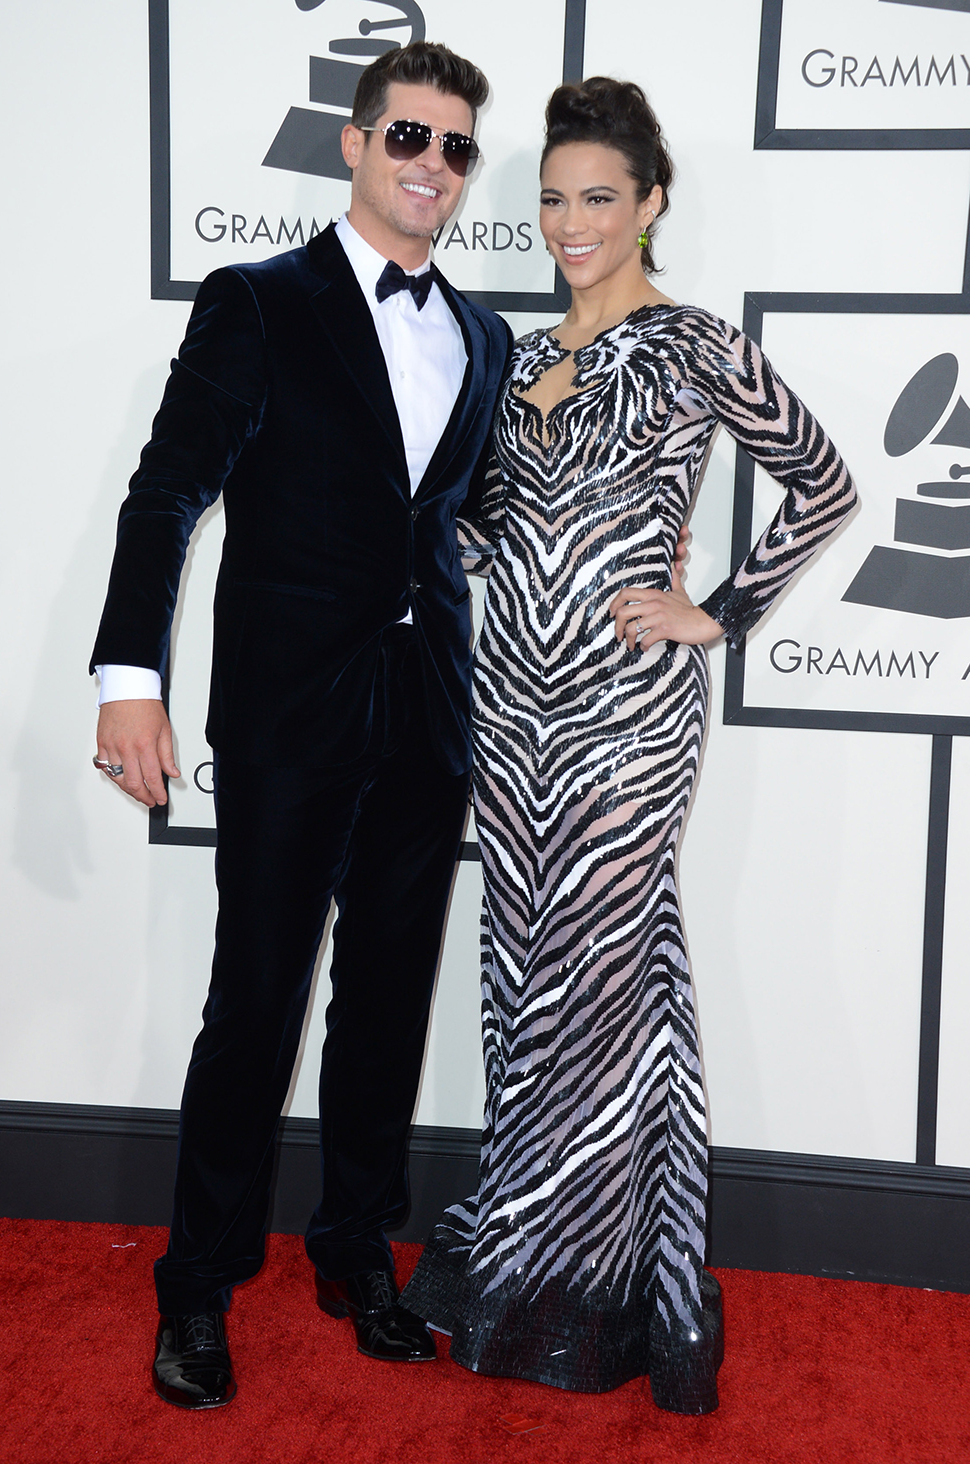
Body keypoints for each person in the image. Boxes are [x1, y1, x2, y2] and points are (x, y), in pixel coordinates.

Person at [402, 77, 857, 1415]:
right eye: (552, 198)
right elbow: (486, 532)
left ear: (652, 204)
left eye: (598, 197)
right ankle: (542, 1264)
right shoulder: (512, 353)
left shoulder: (695, 343)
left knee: (598, 988)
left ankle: (586, 1296)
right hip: (510, 710)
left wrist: (716, 613)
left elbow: (824, 484)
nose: (570, 220)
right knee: (525, 982)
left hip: (626, 716)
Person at [90, 41, 512, 1409]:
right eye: (408, 139)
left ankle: (354, 1254)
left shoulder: (486, 336)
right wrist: (128, 681)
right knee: (256, 1004)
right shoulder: (259, 302)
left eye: (455, 148)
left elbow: (469, 517)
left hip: (428, 712)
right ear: (354, 142)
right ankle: (198, 1289)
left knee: (386, 1002)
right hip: (285, 715)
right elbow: (167, 498)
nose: (431, 168)